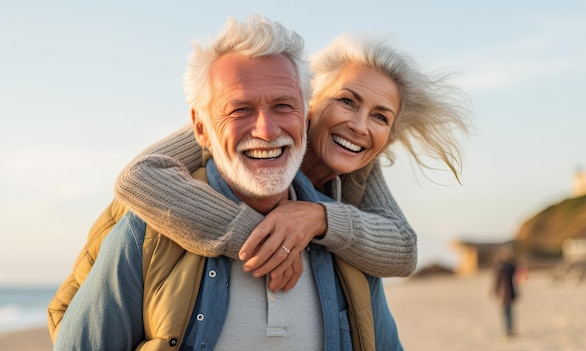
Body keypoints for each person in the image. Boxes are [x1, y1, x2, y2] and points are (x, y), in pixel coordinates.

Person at [53, 14, 403, 350]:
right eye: (240, 110)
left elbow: (403, 247)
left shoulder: (348, 241)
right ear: (201, 128)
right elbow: (135, 178)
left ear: (302, 109)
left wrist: (320, 218)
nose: (266, 130)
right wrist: (267, 241)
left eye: (283, 105)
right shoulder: (148, 226)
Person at [493, 246, 520, 337]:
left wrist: (494, 291)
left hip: (506, 293)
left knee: (508, 312)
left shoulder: (504, 267)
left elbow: (496, 282)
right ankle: (508, 329)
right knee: (506, 312)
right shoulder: (504, 268)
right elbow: (497, 282)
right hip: (505, 293)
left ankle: (508, 329)